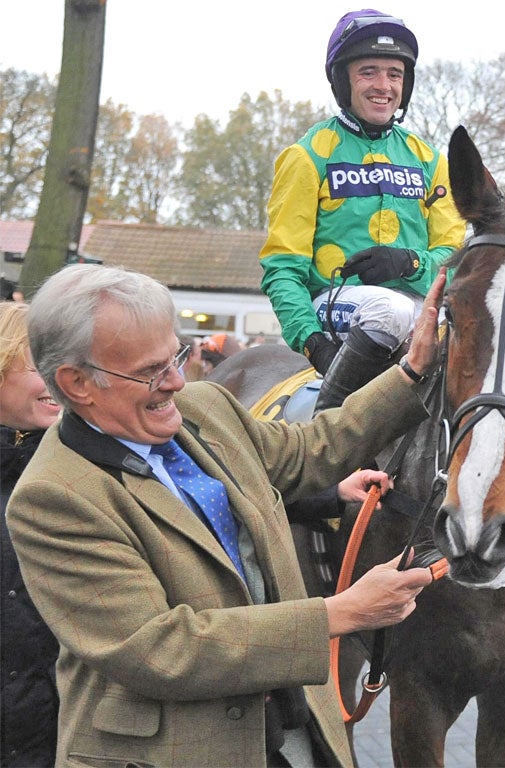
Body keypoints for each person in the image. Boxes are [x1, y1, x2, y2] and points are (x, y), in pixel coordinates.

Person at [6, 263, 447, 768]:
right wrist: (344, 611)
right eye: (151, 371)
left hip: (292, 731)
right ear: (77, 383)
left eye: (177, 355)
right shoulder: (52, 498)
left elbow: (309, 450)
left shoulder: (206, 407)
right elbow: (161, 649)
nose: (176, 381)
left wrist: (411, 370)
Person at [259, 9, 466, 415]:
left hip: (419, 309)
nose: (383, 86)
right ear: (343, 80)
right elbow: (283, 268)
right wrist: (312, 340)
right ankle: (329, 436)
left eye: (394, 74)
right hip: (334, 304)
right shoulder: (306, 156)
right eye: (368, 72)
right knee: (389, 311)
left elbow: (456, 259)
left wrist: (410, 262)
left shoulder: (430, 161)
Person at [0, 302, 62, 767]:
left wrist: (327, 496)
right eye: (40, 365)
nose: (59, 379)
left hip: (63, 725)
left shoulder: (88, 456)